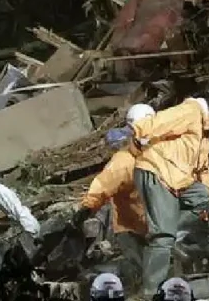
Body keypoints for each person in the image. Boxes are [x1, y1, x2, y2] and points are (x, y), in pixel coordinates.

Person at [104, 81, 209, 296]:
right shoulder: (191, 111)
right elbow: (160, 121)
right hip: (156, 173)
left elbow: (204, 176)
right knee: (163, 236)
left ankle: (177, 235)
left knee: (202, 196)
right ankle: (152, 292)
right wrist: (135, 134)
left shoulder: (203, 135)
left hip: (179, 182)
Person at [78, 103, 155, 285]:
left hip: (152, 223)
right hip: (132, 227)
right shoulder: (124, 161)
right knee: (141, 272)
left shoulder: (157, 153)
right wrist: (87, 206)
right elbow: (103, 185)